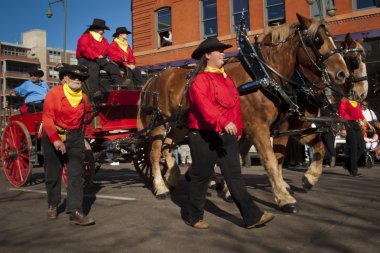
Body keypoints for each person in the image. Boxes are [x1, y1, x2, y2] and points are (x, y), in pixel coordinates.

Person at [185, 37, 274, 229]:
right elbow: (204, 106)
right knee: (201, 176)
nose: (223, 53)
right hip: (203, 135)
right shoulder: (199, 80)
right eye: (219, 51)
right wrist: (224, 122)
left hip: (227, 135)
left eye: (222, 50)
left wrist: (239, 128)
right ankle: (194, 216)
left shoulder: (227, 79)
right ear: (207, 55)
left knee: (234, 176)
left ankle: (252, 217)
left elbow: (235, 105)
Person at [42, 63, 95, 226]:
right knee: (53, 174)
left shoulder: (84, 97)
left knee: (76, 175)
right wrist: (56, 139)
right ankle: (52, 204)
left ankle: (75, 212)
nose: (77, 80)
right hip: (54, 135)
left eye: (80, 78)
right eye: (73, 77)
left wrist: (84, 138)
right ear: (64, 78)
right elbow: (47, 119)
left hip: (75, 137)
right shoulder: (54, 93)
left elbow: (84, 120)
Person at [76, 18, 124, 99]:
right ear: (96, 28)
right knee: (94, 66)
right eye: (103, 29)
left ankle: (121, 86)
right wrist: (97, 55)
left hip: (99, 60)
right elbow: (84, 49)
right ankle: (94, 92)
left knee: (112, 66)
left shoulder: (104, 40)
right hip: (85, 60)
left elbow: (110, 51)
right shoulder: (85, 37)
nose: (104, 31)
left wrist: (121, 57)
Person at [338, 94, 374, 177]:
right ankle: (353, 171)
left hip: (356, 124)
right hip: (348, 124)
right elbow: (341, 113)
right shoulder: (344, 101)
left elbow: (360, 115)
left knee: (361, 147)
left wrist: (368, 124)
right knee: (353, 148)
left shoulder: (357, 102)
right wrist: (343, 128)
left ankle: (348, 164)